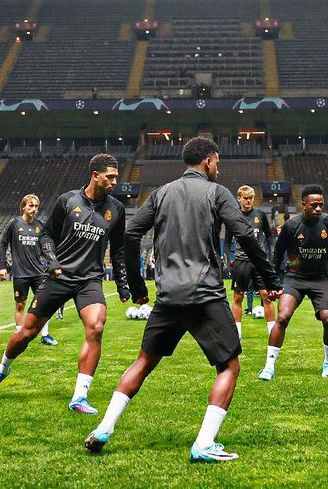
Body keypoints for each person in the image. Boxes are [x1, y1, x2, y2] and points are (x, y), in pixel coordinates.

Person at [85, 137, 281, 462]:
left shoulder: (161, 192)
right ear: (207, 162)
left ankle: (104, 427)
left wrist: (137, 286)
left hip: (168, 295)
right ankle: (204, 443)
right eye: (217, 162)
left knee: (144, 361)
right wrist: (272, 278)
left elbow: (132, 233)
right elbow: (244, 234)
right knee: (229, 366)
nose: (218, 168)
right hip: (204, 293)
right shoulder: (217, 192)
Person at [0, 154, 129, 415]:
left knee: (96, 326)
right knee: (27, 333)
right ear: (95, 175)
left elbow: (118, 250)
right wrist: (51, 261)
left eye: (117, 176)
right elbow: (47, 236)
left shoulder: (116, 209)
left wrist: (124, 284)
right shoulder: (68, 201)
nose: (115, 181)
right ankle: (2, 369)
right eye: (111, 176)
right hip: (59, 276)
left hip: (89, 279)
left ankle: (80, 396)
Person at [260, 185, 328, 381]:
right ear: (304, 205)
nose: (318, 208)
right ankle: (269, 366)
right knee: (283, 316)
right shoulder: (291, 226)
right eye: (314, 205)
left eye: (321, 205)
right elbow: (277, 254)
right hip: (294, 278)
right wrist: (273, 283)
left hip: (319, 279)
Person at [0, 194, 57, 345]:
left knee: (44, 303)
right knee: (20, 305)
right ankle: (19, 336)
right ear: (23, 206)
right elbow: (3, 245)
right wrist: (2, 267)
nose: (34, 209)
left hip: (39, 272)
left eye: (36, 206)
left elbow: (45, 247)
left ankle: (45, 335)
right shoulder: (14, 224)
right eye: (30, 206)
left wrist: (53, 262)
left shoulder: (40, 226)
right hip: (20, 273)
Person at [224, 185, 276, 336]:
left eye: (251, 198)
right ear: (239, 198)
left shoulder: (260, 215)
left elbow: (269, 237)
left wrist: (270, 258)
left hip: (260, 262)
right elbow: (227, 242)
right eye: (245, 198)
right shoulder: (233, 217)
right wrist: (228, 262)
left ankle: (273, 333)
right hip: (241, 262)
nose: (248, 201)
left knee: (266, 296)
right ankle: (237, 334)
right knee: (238, 297)